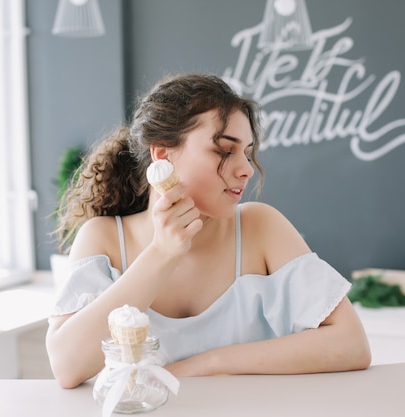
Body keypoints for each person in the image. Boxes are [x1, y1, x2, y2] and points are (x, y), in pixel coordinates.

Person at [47, 73, 371, 389]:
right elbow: (67, 367)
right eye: (224, 150)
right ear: (162, 155)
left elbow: (352, 345)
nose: (245, 169)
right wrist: (162, 254)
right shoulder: (103, 238)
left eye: (246, 151)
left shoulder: (261, 228)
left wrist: (206, 365)